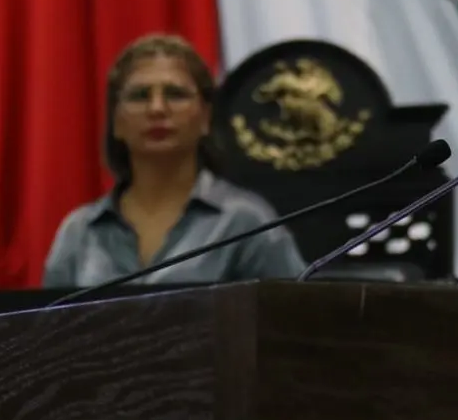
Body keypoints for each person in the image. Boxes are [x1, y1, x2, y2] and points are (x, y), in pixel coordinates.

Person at [43, 33, 305, 287]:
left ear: (205, 117)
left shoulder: (247, 221)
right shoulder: (79, 231)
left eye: (175, 94)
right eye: (140, 96)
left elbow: (296, 323)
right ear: (117, 121)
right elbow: (48, 329)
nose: (157, 108)